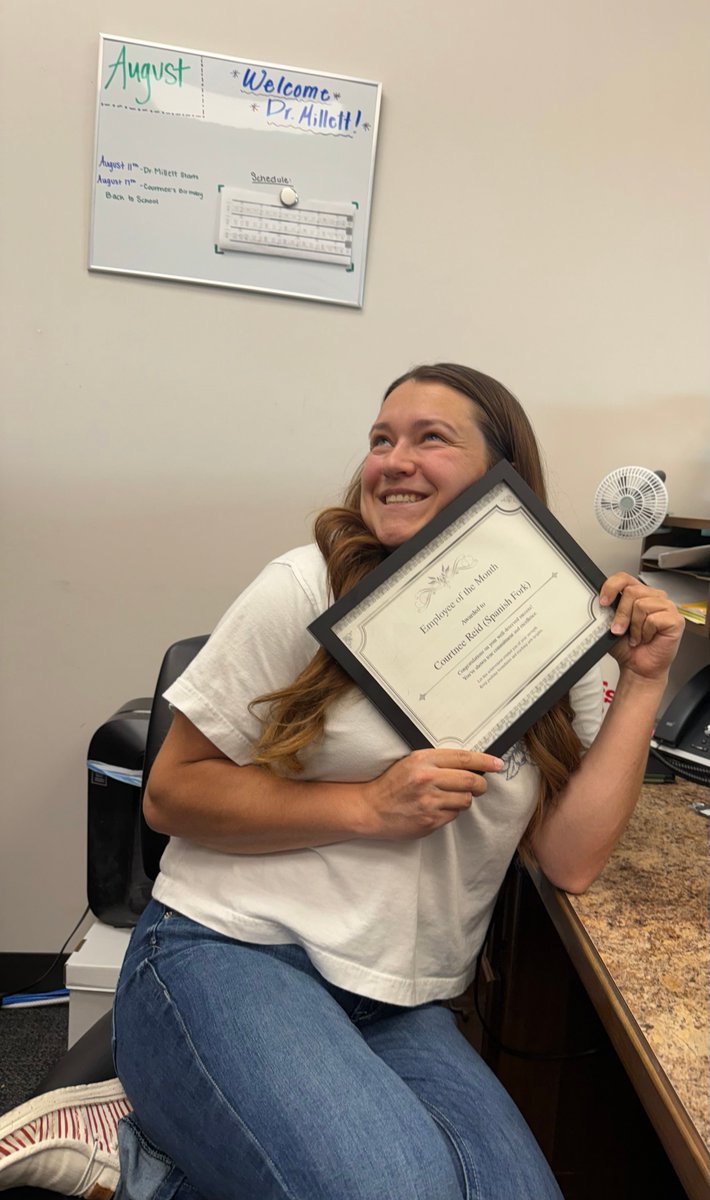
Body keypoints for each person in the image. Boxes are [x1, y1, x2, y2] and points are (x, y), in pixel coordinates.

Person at [0, 364, 684, 1200]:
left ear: (504, 473)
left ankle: (172, 1149)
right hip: (226, 950)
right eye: (380, 440)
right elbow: (171, 794)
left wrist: (644, 682)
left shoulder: (560, 625)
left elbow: (570, 862)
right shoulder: (303, 585)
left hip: (400, 1002)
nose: (393, 460)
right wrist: (368, 805)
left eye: (430, 439)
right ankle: (148, 1143)